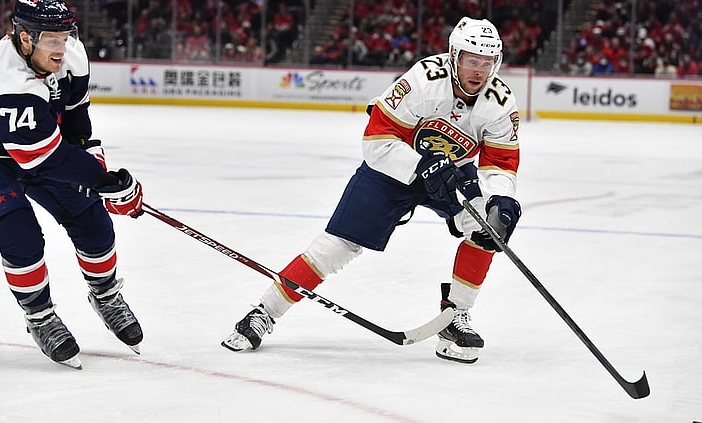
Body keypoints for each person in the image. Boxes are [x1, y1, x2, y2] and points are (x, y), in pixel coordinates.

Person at [221, 16, 522, 364]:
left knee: (487, 227)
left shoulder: (499, 101)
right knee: (336, 247)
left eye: (487, 64)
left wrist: (502, 199)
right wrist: (421, 165)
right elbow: (377, 141)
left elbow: (500, 163)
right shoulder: (424, 80)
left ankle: (456, 316)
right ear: (454, 56)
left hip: (452, 173)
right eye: (472, 61)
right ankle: (264, 313)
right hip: (393, 167)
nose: (479, 71)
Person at [0, 0, 145, 370]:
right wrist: (103, 181)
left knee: (93, 221)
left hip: (31, 144)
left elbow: (76, 119)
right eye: (52, 39)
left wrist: (100, 172)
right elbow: (43, 159)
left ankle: (106, 295)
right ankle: (39, 316)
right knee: (19, 233)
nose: (61, 47)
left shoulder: (71, 55)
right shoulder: (9, 82)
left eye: (65, 37)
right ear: (24, 39)